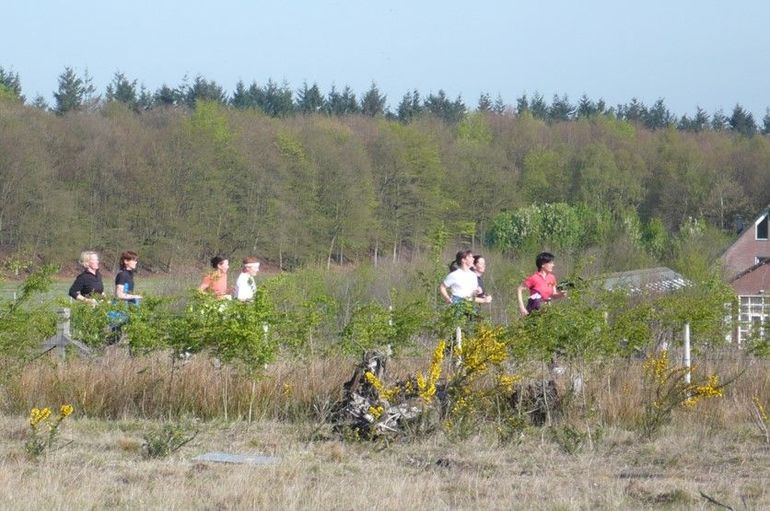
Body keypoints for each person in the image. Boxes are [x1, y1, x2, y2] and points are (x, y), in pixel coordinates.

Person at [517, 251, 566, 316]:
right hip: (534, 312)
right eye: (550, 263)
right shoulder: (534, 278)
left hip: (547, 311)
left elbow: (553, 295)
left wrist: (561, 294)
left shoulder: (552, 278)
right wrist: (522, 307)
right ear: (542, 264)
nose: (553, 265)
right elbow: (519, 289)